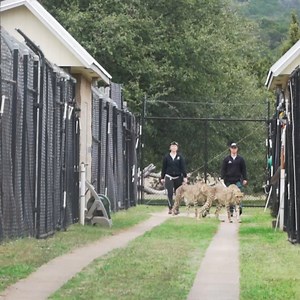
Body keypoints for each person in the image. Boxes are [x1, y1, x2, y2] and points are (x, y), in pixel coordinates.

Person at [160, 141, 188, 214]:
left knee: (178, 193)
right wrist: (162, 178)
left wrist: (185, 176)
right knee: (169, 193)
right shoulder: (166, 157)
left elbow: (183, 167)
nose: (174, 147)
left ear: (177, 148)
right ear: (170, 148)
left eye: (175, 146)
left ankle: (176, 208)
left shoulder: (180, 157)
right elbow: (164, 168)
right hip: (169, 177)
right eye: (172, 146)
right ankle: (170, 208)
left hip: (178, 177)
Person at [221, 142, 248, 215]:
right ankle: (231, 210)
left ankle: (239, 208)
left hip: (237, 180)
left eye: (235, 148)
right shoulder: (226, 159)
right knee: (229, 196)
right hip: (228, 180)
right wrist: (222, 178)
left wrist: (245, 179)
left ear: (237, 149)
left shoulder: (240, 159)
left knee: (238, 194)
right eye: (232, 148)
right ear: (230, 149)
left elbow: (244, 169)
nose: (233, 149)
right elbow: (223, 169)